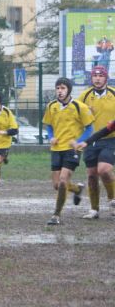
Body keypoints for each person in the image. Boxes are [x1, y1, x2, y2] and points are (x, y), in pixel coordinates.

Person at [43, 77, 94, 225]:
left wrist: (78, 142)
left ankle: (56, 215)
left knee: (64, 180)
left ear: (69, 90)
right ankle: (77, 189)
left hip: (73, 149)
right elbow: (49, 125)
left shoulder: (80, 107)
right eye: (58, 88)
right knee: (57, 185)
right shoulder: (51, 106)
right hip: (56, 148)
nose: (60, 91)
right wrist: (51, 137)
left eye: (63, 88)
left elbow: (90, 128)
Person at [75, 65, 115, 219]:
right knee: (92, 175)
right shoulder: (84, 97)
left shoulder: (113, 93)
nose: (97, 79)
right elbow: (75, 115)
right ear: (91, 78)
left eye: (101, 76)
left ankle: (112, 199)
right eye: (95, 76)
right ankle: (94, 209)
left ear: (106, 78)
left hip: (111, 139)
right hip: (90, 142)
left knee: (104, 170)